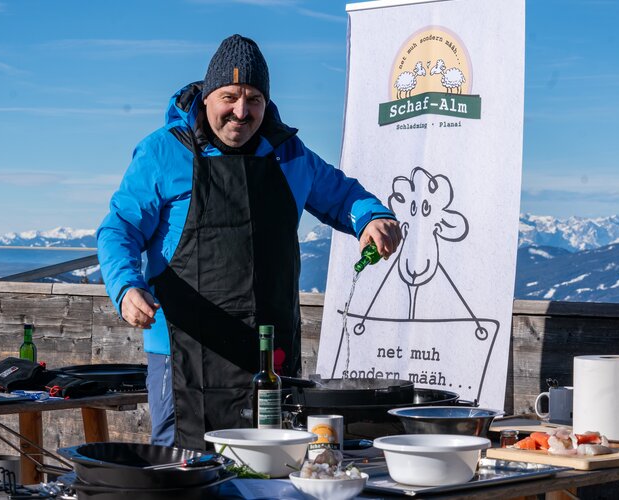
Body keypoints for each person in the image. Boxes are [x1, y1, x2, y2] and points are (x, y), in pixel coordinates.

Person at [97, 34, 401, 450]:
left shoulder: (288, 153)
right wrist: (126, 287)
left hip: (270, 353)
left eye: (253, 99)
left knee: (275, 466)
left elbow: (344, 195)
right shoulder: (163, 152)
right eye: (229, 97)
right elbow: (119, 230)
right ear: (206, 97)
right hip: (184, 349)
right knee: (181, 468)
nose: (241, 112)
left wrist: (373, 217)